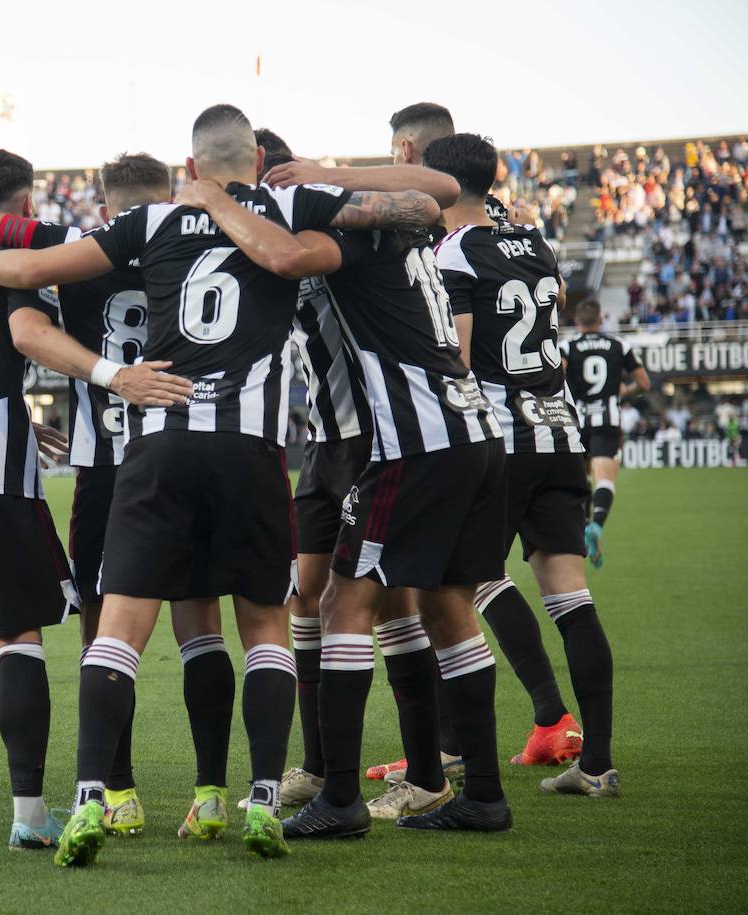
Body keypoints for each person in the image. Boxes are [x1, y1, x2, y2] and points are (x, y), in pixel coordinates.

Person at [0, 103, 443, 862]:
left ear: (189, 168)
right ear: (257, 159)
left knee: (118, 628)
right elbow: (428, 199)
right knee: (263, 625)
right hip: (251, 447)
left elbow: (28, 272)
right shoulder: (290, 203)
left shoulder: (152, 221)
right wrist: (328, 173)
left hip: (154, 445)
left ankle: (95, 794)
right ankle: (258, 796)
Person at [179, 153, 514, 835]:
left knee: (344, 600)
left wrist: (217, 202)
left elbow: (285, 257)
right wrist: (334, 171)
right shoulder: (402, 224)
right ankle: (482, 792)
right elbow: (437, 192)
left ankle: (339, 797)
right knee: (448, 603)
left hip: (414, 440)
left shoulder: (346, 236)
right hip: (471, 427)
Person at [0, 152, 230, 840]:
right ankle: (209, 793)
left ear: (106, 210)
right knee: (201, 623)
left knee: (94, 633)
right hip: (198, 452)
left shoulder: (72, 252)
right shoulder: (206, 246)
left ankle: (115, 791)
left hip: (87, 466)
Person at [247, 129, 464, 813]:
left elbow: (437, 194)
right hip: (322, 442)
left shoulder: (316, 208)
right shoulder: (253, 224)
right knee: (304, 595)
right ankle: (317, 764)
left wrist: (325, 172)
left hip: (375, 433)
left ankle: (426, 774)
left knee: (386, 600)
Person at [427, 132, 619, 798]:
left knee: (451, 590)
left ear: (440, 182)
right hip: (559, 433)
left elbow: (458, 352)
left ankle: (451, 759)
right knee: (571, 598)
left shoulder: (454, 250)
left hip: (501, 440)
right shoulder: (532, 239)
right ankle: (596, 763)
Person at [559, 297, 651, 567]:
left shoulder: (566, 346)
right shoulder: (618, 345)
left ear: (577, 322)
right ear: (601, 321)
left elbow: (555, 377)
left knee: (580, 479)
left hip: (576, 420)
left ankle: (582, 527)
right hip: (607, 420)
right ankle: (596, 527)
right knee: (604, 480)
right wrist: (625, 390)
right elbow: (643, 382)